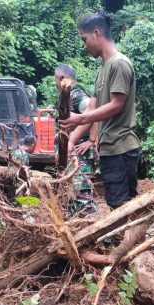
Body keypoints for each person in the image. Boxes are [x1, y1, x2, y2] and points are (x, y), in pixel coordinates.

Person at [59, 10, 141, 210]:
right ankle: (126, 239)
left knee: (120, 206)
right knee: (120, 205)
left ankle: (125, 241)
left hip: (121, 147)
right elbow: (93, 109)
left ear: (96, 33)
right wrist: (71, 139)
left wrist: (78, 119)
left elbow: (116, 104)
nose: (84, 45)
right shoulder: (102, 68)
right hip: (109, 148)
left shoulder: (119, 63)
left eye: (84, 39)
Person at [54, 64, 98, 215]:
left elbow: (93, 111)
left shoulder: (77, 95)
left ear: (62, 78)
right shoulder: (71, 94)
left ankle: (91, 225)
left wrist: (91, 140)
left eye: (55, 80)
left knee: (82, 195)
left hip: (79, 154)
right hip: (73, 154)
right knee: (72, 192)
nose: (55, 84)